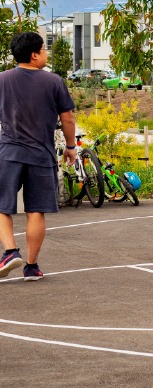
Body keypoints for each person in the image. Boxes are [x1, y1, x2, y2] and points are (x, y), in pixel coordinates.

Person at [0, 32, 76, 282]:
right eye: (44, 50)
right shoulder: (54, 81)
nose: (46, 53)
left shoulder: (2, 80)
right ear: (34, 55)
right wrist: (70, 146)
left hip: (9, 152)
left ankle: (10, 251)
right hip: (41, 155)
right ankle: (31, 267)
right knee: (36, 211)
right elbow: (67, 118)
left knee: (2, 206)